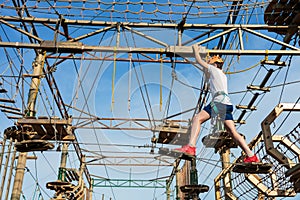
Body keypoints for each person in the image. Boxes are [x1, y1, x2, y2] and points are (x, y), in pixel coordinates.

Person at [174, 44, 259, 163]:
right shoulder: (222, 75)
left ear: (214, 64)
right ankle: (251, 155)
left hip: (218, 102)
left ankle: (191, 147)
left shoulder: (213, 70)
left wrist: (195, 50)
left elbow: (199, 61)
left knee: (197, 119)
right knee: (232, 132)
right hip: (226, 104)